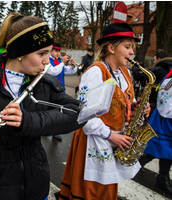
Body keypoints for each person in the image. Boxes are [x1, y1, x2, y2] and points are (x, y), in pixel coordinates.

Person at [0, 13, 85, 200]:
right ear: (20, 52)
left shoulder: (44, 83)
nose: (47, 61)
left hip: (36, 184)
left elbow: (78, 113)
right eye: (41, 53)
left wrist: (28, 120)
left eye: (49, 52)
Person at [59, 23, 151, 200]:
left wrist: (137, 106)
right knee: (92, 192)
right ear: (111, 48)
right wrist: (111, 135)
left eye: (132, 47)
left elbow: (125, 100)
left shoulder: (125, 72)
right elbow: (84, 114)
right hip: (95, 139)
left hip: (113, 139)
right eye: (127, 46)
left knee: (106, 190)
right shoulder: (95, 72)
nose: (133, 52)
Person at [137, 52, 172, 194]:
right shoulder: (170, 78)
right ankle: (161, 178)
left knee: (165, 150)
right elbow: (165, 103)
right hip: (165, 120)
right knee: (164, 149)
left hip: (167, 118)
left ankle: (160, 176)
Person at [48, 43, 77, 141]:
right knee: (50, 110)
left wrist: (73, 66)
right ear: (50, 51)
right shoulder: (47, 61)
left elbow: (68, 72)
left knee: (57, 111)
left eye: (59, 51)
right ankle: (47, 129)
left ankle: (55, 131)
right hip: (51, 89)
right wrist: (63, 63)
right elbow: (53, 71)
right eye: (56, 51)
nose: (58, 53)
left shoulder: (58, 61)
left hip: (60, 89)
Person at [132, 50, 171, 120]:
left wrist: (135, 67)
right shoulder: (169, 70)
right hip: (166, 106)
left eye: (154, 59)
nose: (153, 62)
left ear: (159, 59)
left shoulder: (158, 69)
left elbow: (138, 75)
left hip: (153, 102)